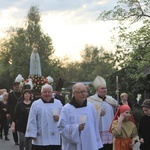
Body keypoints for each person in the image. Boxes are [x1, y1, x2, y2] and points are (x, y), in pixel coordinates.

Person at [57, 83, 103, 150]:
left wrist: (97, 143)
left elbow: (95, 126)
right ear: (74, 93)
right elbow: (61, 127)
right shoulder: (66, 109)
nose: (83, 94)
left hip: (90, 143)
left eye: (85, 91)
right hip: (74, 146)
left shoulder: (90, 106)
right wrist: (76, 128)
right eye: (80, 92)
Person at [25, 83, 63, 150]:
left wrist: (59, 117)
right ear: (41, 93)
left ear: (52, 93)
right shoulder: (36, 104)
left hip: (54, 138)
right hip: (40, 137)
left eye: (49, 92)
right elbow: (32, 119)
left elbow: (64, 117)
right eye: (45, 92)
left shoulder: (58, 103)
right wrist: (32, 134)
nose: (47, 94)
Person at [87, 75, 118, 150]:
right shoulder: (90, 101)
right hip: (98, 130)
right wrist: (98, 113)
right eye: (102, 88)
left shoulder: (111, 100)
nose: (104, 90)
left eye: (105, 88)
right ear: (97, 90)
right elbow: (88, 114)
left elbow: (117, 111)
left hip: (110, 130)